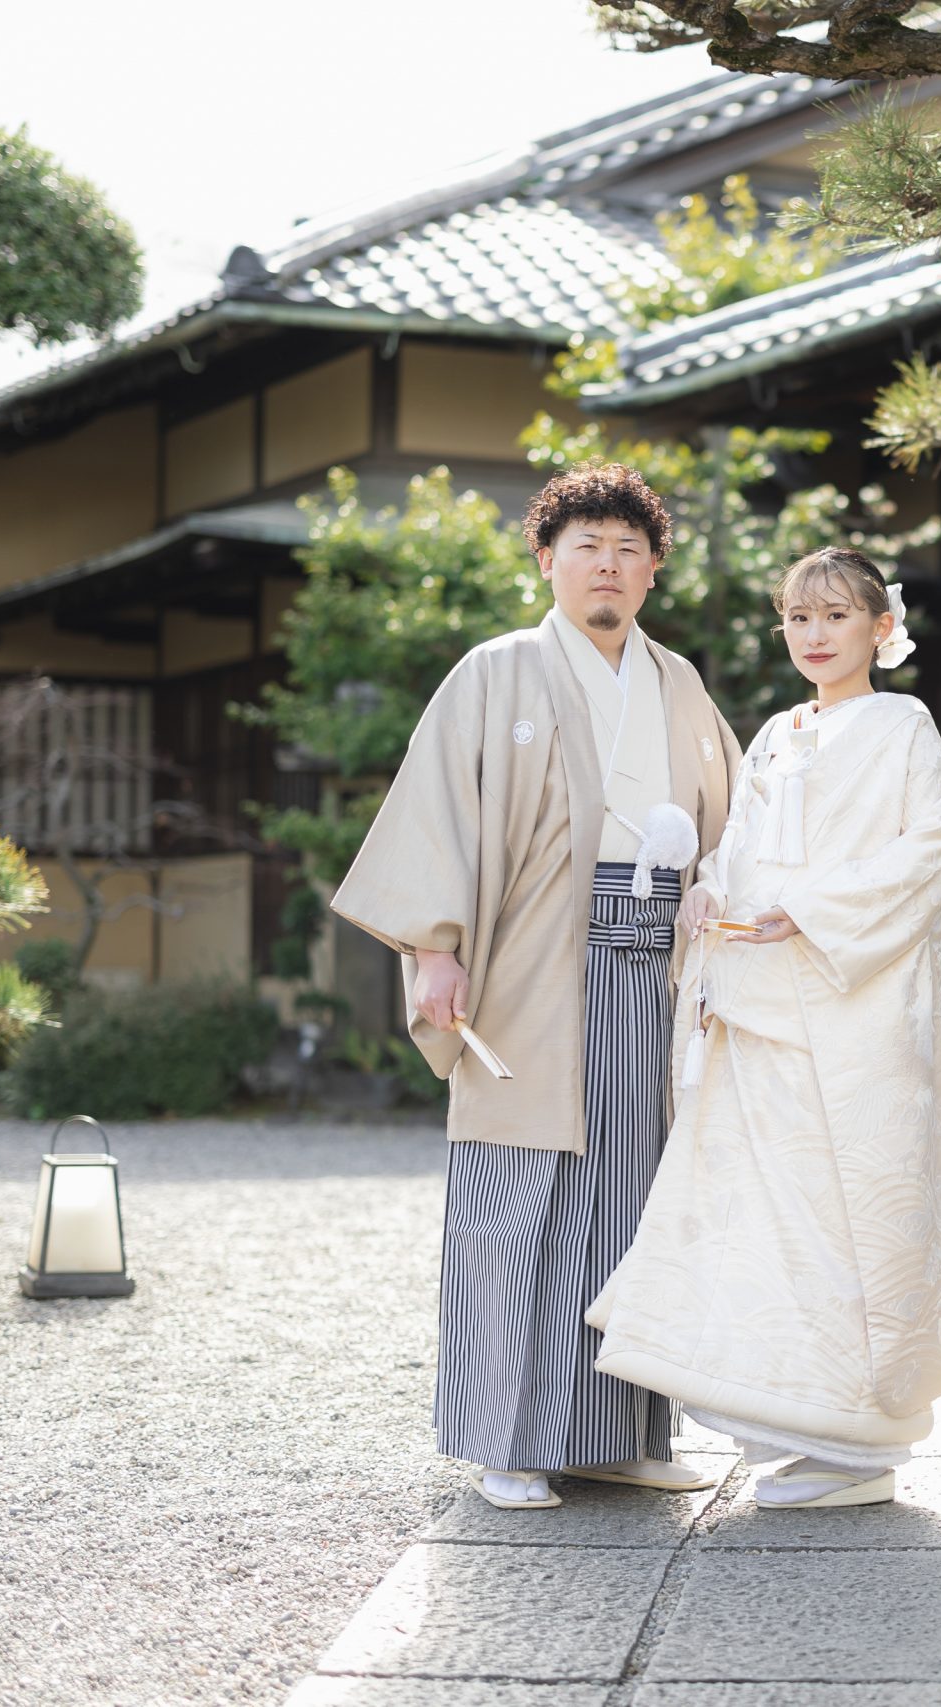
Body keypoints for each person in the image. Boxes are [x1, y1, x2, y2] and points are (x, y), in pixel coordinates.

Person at [331, 463, 741, 1511]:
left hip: (654, 964)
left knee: (638, 1195)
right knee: (518, 1199)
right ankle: (503, 1438)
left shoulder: (679, 685)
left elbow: (735, 826)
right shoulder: (496, 672)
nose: (606, 565)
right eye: (585, 547)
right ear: (547, 560)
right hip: (531, 963)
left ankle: (622, 1432)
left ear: (652, 571)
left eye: (627, 549)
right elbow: (439, 815)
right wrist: (433, 948)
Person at [588, 545, 941, 1510]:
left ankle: (860, 1439)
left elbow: (934, 840)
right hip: (763, 998)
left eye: (836, 617)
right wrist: (710, 894)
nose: (814, 636)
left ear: (880, 628)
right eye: (798, 619)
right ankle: (792, 1417)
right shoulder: (775, 733)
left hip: (853, 1011)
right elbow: (740, 844)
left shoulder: (903, 727)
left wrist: (809, 909)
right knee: (768, 1214)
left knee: (843, 1213)